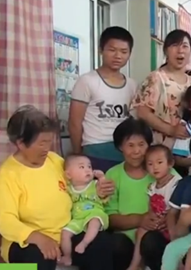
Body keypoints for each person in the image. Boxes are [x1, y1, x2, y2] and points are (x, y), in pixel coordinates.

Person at [0, 106, 115, 270]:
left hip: (66, 233)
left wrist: (100, 191)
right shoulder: (7, 174)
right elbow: (5, 221)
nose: (47, 148)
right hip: (26, 241)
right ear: (20, 143)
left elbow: (80, 185)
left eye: (49, 142)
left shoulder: (54, 160)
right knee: (39, 258)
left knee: (103, 244)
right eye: (41, 143)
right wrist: (36, 237)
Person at [106, 117, 180, 270]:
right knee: (114, 243)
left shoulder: (165, 172)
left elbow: (180, 206)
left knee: (151, 241)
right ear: (120, 147)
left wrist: (166, 220)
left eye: (141, 144)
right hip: (126, 241)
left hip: (157, 238)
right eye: (130, 145)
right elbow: (110, 218)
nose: (136, 151)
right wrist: (141, 219)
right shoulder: (113, 175)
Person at [69, 26, 137, 172]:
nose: (118, 56)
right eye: (112, 50)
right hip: (95, 151)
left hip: (125, 152)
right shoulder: (87, 81)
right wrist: (77, 154)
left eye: (124, 52)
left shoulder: (132, 85)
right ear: (101, 50)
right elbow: (75, 122)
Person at [132, 30, 191, 148]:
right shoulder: (156, 78)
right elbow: (142, 112)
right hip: (161, 148)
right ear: (166, 50)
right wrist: (170, 130)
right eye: (174, 45)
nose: (180, 50)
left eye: (185, 46)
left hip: (187, 148)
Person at [128, 145, 180, 270]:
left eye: (159, 162)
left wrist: (167, 219)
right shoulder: (152, 187)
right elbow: (151, 208)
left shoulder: (177, 182)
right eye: (150, 164)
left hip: (173, 224)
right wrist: (152, 219)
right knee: (141, 230)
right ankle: (136, 265)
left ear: (170, 163)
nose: (155, 167)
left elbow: (179, 209)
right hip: (159, 223)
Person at [60, 155, 109, 266]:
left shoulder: (94, 185)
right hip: (78, 218)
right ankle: (67, 256)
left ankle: (84, 243)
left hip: (94, 213)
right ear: (68, 175)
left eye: (89, 167)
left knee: (94, 221)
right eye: (81, 167)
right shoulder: (68, 188)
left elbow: (104, 191)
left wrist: (102, 178)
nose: (87, 170)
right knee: (65, 233)